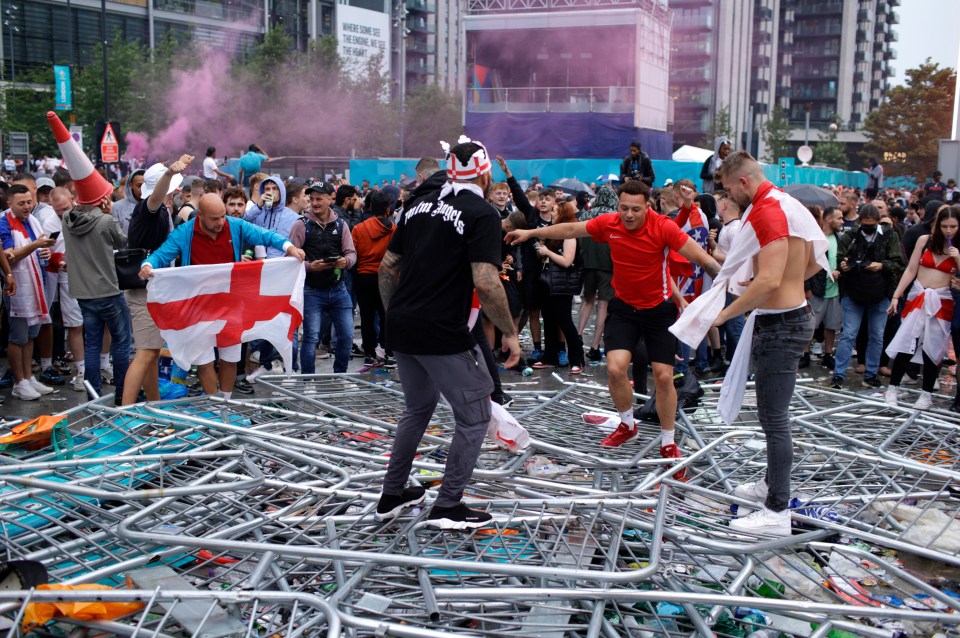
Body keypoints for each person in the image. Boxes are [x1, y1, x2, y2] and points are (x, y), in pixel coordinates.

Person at [507, 179, 720, 475]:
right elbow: (570, 229)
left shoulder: (663, 227)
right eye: (624, 208)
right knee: (616, 368)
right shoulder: (610, 223)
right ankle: (627, 424)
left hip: (658, 310)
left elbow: (702, 258)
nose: (629, 215)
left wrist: (729, 285)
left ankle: (669, 441)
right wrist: (531, 232)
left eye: (636, 209)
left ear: (648, 206)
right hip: (624, 309)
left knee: (663, 376)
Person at [674, 151, 828, 536]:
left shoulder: (765, 210)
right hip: (789, 317)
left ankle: (777, 511)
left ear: (743, 182)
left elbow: (771, 281)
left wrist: (725, 314)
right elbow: (810, 261)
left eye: (727, 190)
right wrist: (766, 280)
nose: (726, 199)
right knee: (771, 417)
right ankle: (771, 487)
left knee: (774, 421)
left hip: (781, 324)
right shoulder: (784, 203)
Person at [375, 138, 521, 529]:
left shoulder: (416, 207)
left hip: (403, 326)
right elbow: (487, 283)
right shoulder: (482, 212)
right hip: (442, 330)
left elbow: (387, 268)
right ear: (486, 173)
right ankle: (448, 505)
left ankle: (392, 494)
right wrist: (510, 332)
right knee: (474, 417)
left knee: (417, 409)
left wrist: (398, 317)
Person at [139, 194, 305, 397]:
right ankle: (215, 405)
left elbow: (266, 235)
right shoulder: (185, 232)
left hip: (230, 306)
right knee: (204, 362)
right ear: (200, 215)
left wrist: (290, 247)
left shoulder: (235, 225)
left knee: (230, 358)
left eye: (222, 217)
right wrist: (147, 265)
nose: (220, 222)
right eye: (215, 218)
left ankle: (224, 403)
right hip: (198, 308)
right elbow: (161, 254)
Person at [123, 155, 191, 405]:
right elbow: (153, 198)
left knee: (150, 353)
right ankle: (124, 412)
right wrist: (169, 174)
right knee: (145, 353)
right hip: (144, 291)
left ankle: (153, 405)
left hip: (151, 289)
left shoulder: (161, 210)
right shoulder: (149, 210)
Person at [884, 205, 960, 409]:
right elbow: (910, 269)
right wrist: (896, 296)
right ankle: (893, 388)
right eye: (944, 226)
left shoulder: (957, 248)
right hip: (918, 295)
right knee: (907, 340)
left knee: (933, 347)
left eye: (953, 226)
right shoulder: (924, 240)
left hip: (942, 300)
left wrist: (958, 258)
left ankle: (926, 394)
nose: (948, 230)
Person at [831, 204, 905, 390]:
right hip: (853, 291)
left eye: (872, 225)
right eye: (865, 225)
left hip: (880, 292)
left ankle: (871, 374)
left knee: (877, 335)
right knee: (848, 334)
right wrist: (844, 266)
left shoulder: (889, 235)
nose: (868, 228)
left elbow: (899, 264)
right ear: (859, 222)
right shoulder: (850, 236)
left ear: (878, 222)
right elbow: (840, 261)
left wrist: (882, 265)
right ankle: (839, 375)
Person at [287, 180, 356, 375]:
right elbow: (290, 259)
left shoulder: (341, 224)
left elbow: (351, 253)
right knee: (310, 338)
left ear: (330, 199)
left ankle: (340, 375)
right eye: (312, 199)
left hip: (338, 288)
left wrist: (346, 262)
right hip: (311, 290)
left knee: (347, 336)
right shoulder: (301, 225)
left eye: (319, 199)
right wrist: (311, 267)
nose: (314, 203)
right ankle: (308, 380)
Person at [0, 184, 52, 400]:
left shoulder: (33, 220)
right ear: (9, 203)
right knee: (18, 337)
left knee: (31, 333)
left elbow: (38, 245)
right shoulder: (4, 222)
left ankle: (29, 378)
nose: (27, 206)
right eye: (21, 203)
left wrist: (45, 250)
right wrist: (36, 245)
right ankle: (19, 381)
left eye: (29, 202)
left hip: (37, 281)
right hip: (17, 285)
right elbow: (10, 256)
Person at [530, 200, 585, 373]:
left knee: (565, 322)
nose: (551, 213)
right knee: (549, 321)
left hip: (562, 285)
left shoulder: (569, 235)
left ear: (562, 214)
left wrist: (547, 252)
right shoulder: (552, 233)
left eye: (555, 210)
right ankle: (550, 357)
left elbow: (567, 261)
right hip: (547, 284)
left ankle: (577, 359)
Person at [352, 190, 396, 366]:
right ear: (388, 209)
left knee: (367, 317)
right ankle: (389, 353)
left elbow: (353, 255)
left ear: (369, 207)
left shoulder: (359, 229)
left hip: (364, 278)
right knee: (387, 317)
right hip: (387, 278)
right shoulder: (394, 230)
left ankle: (369, 354)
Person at [578, 186, 617, 362]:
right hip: (608, 266)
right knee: (603, 306)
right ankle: (594, 346)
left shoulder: (585, 214)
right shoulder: (615, 217)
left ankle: (577, 337)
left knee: (587, 300)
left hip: (588, 264)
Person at [804, 206, 843, 370]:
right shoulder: (814, 238)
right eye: (839, 218)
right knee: (811, 325)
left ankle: (828, 354)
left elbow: (842, 260)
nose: (842, 222)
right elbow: (805, 264)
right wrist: (807, 288)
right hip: (817, 290)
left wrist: (840, 270)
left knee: (831, 326)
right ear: (828, 219)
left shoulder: (840, 239)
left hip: (835, 291)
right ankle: (805, 355)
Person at [112, 168, 145, 234]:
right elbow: (115, 233)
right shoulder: (117, 206)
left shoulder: (156, 206)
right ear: (130, 185)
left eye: (145, 185)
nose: (142, 189)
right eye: (139, 186)